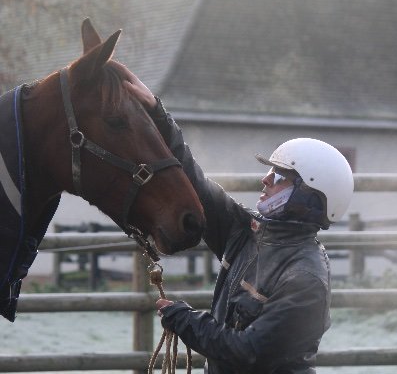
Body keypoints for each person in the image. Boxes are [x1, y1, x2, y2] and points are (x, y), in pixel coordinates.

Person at [123, 72, 354, 374]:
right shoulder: (247, 232)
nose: (265, 179)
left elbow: (247, 351)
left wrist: (186, 320)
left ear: (309, 195)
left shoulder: (306, 278)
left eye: (279, 177)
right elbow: (195, 179)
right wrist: (157, 112)